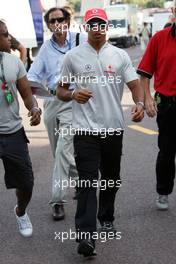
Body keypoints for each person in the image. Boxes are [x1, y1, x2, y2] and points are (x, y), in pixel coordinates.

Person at [57, 8, 144, 257]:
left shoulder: (119, 55)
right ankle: (86, 236)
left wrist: (138, 104)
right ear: (86, 27)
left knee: (110, 178)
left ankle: (106, 216)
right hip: (84, 130)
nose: (97, 28)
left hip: (113, 129)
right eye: (92, 23)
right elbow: (61, 90)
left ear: (107, 27)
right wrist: (73, 94)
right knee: (87, 181)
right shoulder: (72, 57)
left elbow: (134, 84)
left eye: (101, 23)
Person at [27, 7, 87, 221]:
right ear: (48, 25)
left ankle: (57, 200)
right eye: (52, 21)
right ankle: (83, 181)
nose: (56, 24)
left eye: (60, 19)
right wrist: (35, 102)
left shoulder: (82, 39)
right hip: (52, 102)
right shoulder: (45, 49)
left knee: (63, 149)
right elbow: (32, 77)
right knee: (58, 153)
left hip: (73, 101)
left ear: (68, 21)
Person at [0, 20, 41, 237]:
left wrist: (34, 108)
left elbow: (26, 93)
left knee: (26, 183)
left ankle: (20, 211)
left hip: (12, 131)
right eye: (5, 35)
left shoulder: (13, 62)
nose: (9, 39)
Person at [137, 3, 176, 211]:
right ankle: (163, 192)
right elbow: (144, 73)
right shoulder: (160, 38)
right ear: (174, 13)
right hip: (168, 106)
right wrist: (148, 98)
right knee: (167, 152)